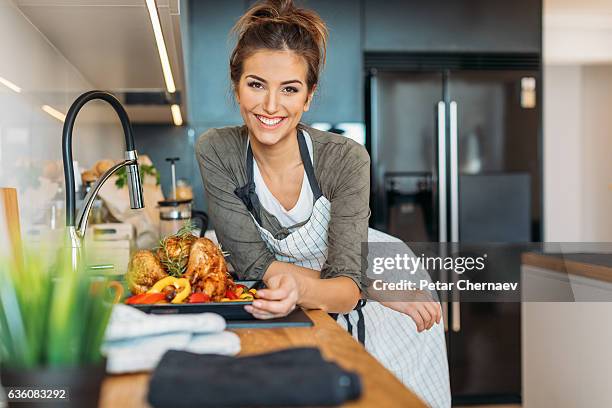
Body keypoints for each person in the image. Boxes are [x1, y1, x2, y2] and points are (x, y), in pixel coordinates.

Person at [196, 0, 451, 406]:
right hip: (356, 289)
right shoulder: (217, 150)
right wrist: (364, 287)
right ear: (236, 85)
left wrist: (358, 286)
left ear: (309, 96)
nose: (271, 106)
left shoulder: (345, 158)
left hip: (386, 291)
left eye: (290, 89)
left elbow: (346, 285)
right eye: (256, 84)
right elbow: (252, 265)